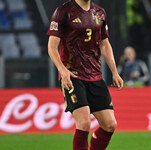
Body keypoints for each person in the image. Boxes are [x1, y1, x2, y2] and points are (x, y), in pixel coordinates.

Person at [47, 0, 123, 150]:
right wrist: (63, 70)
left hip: (95, 74)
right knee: (84, 123)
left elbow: (104, 44)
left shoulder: (100, 12)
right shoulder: (63, 11)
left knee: (110, 125)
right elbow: (52, 46)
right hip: (72, 74)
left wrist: (115, 72)